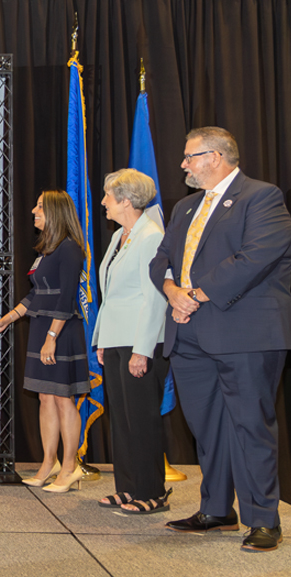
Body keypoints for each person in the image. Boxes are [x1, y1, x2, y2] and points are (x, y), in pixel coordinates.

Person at [150, 127, 291, 552]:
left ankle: (263, 519)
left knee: (250, 425)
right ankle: (216, 509)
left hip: (244, 331)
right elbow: (162, 259)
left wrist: (194, 293)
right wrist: (173, 290)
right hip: (189, 332)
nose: (183, 165)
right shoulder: (186, 207)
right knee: (207, 427)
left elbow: (255, 258)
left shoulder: (262, 197)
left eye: (190, 156)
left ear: (216, 156)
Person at [0, 190, 90, 493]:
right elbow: (36, 295)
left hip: (62, 331)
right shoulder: (48, 249)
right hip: (42, 328)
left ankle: (70, 467)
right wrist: (7, 319)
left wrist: (52, 338)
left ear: (56, 212)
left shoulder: (70, 249)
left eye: (40, 206)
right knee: (45, 397)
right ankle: (49, 463)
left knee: (62, 398)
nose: (33, 210)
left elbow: (66, 297)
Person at [92, 169, 170, 514]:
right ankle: (127, 487)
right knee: (121, 418)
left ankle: (152, 491)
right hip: (117, 338)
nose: (104, 202)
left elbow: (154, 298)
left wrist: (142, 349)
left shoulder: (151, 236)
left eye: (109, 196)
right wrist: (103, 339)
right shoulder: (119, 236)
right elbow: (110, 296)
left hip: (142, 342)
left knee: (141, 418)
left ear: (126, 200)